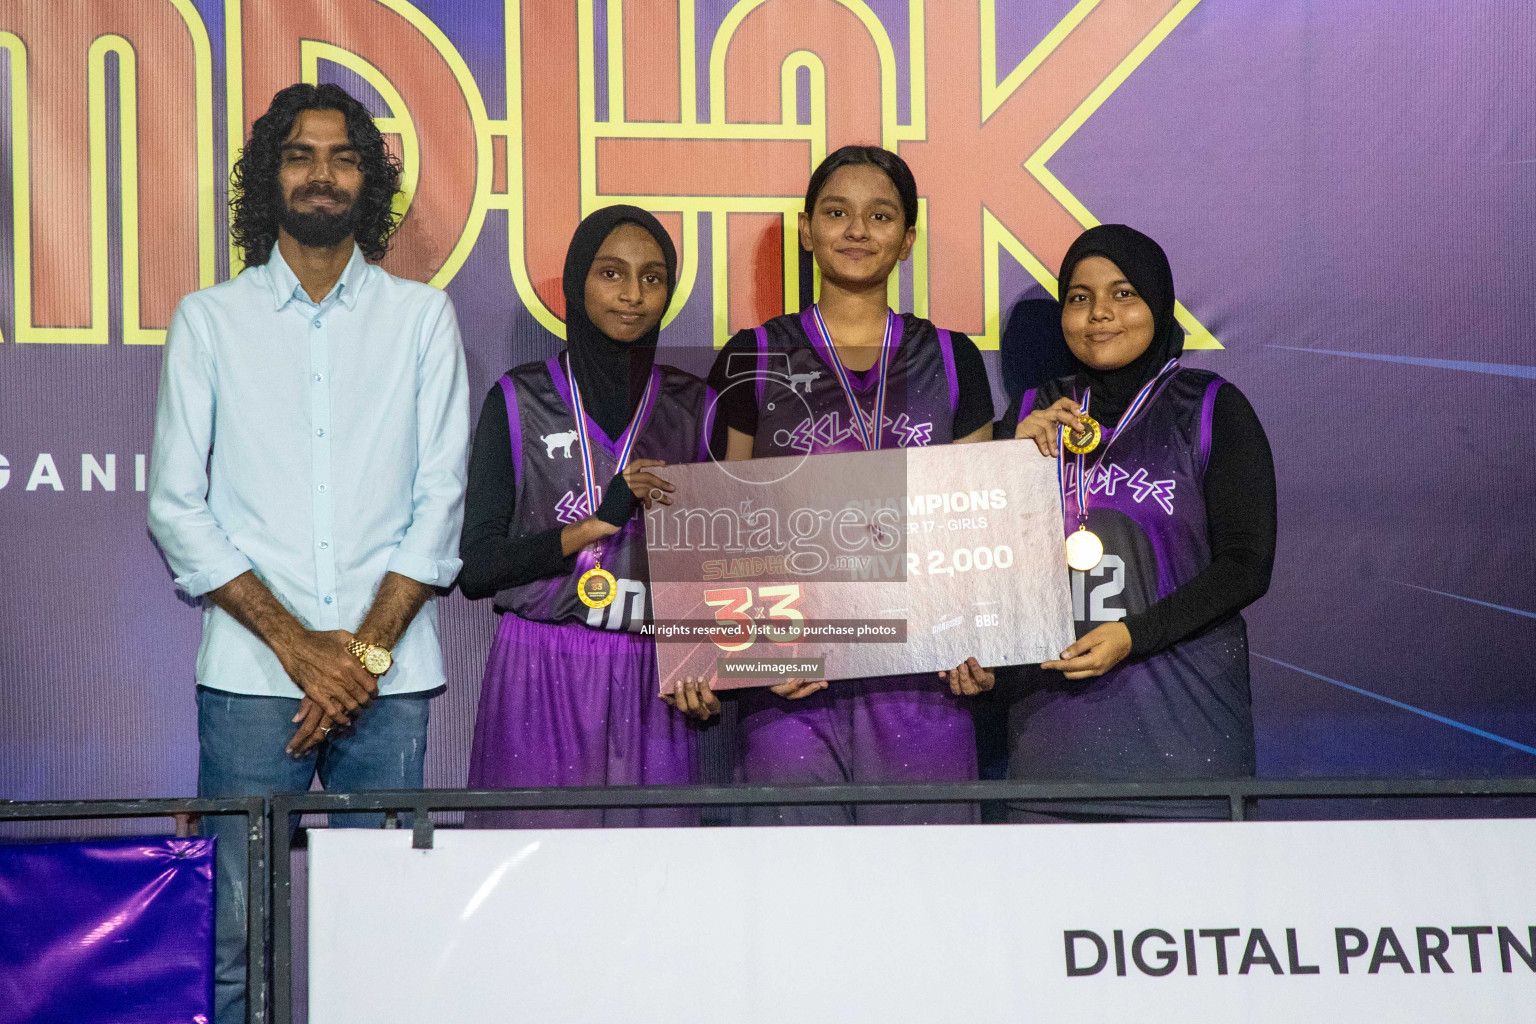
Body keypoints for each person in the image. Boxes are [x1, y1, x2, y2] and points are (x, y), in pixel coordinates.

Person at [147, 83, 468, 1024]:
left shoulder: (421, 319)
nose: (321, 172)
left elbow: (440, 499)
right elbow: (176, 505)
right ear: (267, 176)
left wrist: (359, 658)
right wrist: (300, 650)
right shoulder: (210, 320)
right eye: (300, 153)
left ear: (367, 181)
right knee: (236, 938)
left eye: (342, 155)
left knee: (385, 936)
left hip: (390, 679)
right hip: (252, 678)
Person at [702, 145, 996, 825]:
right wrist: (760, 651)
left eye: (880, 216)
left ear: (907, 239)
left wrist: (982, 639)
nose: (857, 231)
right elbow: (720, 524)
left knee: (923, 900)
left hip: (925, 681)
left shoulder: (955, 360)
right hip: (794, 685)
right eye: (836, 213)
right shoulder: (754, 356)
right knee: (799, 906)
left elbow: (974, 527)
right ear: (806, 229)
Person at [1002, 224, 1276, 821]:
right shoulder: (1031, 414)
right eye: (1079, 297)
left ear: (1156, 301)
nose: (1100, 314)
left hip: (1183, 748)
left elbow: (1247, 566)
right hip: (1050, 751)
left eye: (1123, 294)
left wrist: (1134, 636)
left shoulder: (1208, 407)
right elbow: (970, 555)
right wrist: (1002, 457)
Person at [458, 205, 717, 827]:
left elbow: (722, 566)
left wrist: (709, 659)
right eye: (611, 274)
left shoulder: (697, 406)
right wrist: (596, 523)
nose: (632, 295)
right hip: (541, 667)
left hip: (658, 676)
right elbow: (477, 569)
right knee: (534, 888)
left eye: (653, 278)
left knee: (656, 896)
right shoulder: (520, 399)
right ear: (578, 283)